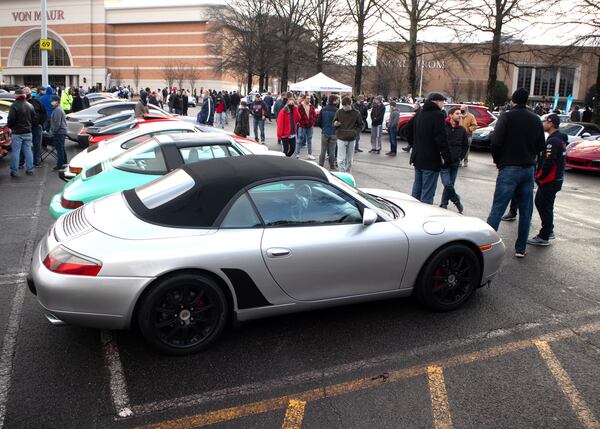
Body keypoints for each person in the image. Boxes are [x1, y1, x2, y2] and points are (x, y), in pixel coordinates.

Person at [486, 88, 545, 258]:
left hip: (509, 166)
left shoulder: (507, 116)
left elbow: (496, 142)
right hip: (528, 167)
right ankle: (520, 248)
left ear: (513, 100)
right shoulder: (535, 119)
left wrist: (498, 161)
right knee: (526, 211)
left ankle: (488, 245)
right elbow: (541, 145)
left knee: (498, 208)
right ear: (527, 101)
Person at [527, 113, 567, 246]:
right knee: (545, 205)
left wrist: (539, 177)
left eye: (545, 122)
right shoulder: (559, 139)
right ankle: (549, 230)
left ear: (550, 123)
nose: (543, 124)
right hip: (555, 180)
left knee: (543, 204)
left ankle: (544, 235)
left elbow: (549, 162)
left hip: (550, 180)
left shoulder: (553, 141)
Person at [409, 92, 451, 204]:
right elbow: (441, 138)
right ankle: (423, 218)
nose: (443, 104)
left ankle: (411, 215)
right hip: (431, 160)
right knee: (427, 194)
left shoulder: (420, 112)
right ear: (436, 101)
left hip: (418, 157)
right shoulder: (438, 115)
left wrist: (414, 144)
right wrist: (447, 157)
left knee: (416, 192)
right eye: (442, 101)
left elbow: (407, 129)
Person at [440, 107, 468, 213]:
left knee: (450, 184)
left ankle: (443, 204)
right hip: (444, 162)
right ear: (450, 115)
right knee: (447, 184)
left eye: (460, 114)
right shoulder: (443, 127)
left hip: (455, 162)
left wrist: (460, 157)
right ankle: (456, 200)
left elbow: (465, 145)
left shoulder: (461, 130)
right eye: (457, 114)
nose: (460, 116)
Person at [7, 88, 36, 177]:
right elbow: (33, 118)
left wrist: (10, 126)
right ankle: (30, 169)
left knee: (16, 151)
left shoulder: (14, 106)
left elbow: (11, 119)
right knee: (28, 150)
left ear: (16, 95)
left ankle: (14, 171)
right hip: (28, 131)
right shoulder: (30, 105)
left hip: (17, 132)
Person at [333, 96, 363, 173]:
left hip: (351, 138)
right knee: (341, 159)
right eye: (343, 106)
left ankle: (348, 173)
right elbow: (334, 122)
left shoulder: (356, 113)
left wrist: (355, 132)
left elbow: (361, 125)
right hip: (341, 137)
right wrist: (335, 123)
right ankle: (342, 174)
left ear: (350, 104)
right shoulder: (339, 112)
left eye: (346, 106)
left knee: (349, 159)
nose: (345, 107)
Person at [316, 95, 338, 170]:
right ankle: (332, 165)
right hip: (334, 132)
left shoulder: (323, 109)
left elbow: (319, 121)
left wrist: (323, 127)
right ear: (334, 101)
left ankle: (320, 164)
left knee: (323, 150)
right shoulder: (337, 110)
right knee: (332, 150)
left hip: (325, 131)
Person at [28, 87, 47, 168]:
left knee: (26, 146)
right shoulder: (37, 101)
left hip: (28, 127)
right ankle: (36, 162)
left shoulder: (35, 102)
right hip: (34, 127)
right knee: (36, 145)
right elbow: (44, 114)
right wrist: (40, 123)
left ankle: (22, 163)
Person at [49, 95, 68, 171]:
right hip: (61, 131)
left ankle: (60, 165)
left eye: (53, 101)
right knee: (61, 148)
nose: (51, 102)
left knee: (59, 148)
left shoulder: (57, 110)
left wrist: (54, 131)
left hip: (59, 132)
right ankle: (64, 163)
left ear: (57, 101)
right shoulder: (58, 109)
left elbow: (57, 123)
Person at [296, 95, 317, 160]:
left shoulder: (311, 106)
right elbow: (297, 116)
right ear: (304, 99)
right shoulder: (300, 106)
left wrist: (312, 122)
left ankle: (309, 154)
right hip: (302, 126)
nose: (309, 100)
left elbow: (314, 115)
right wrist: (301, 122)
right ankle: (297, 154)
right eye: (308, 98)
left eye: (309, 98)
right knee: (299, 140)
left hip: (310, 126)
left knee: (309, 140)